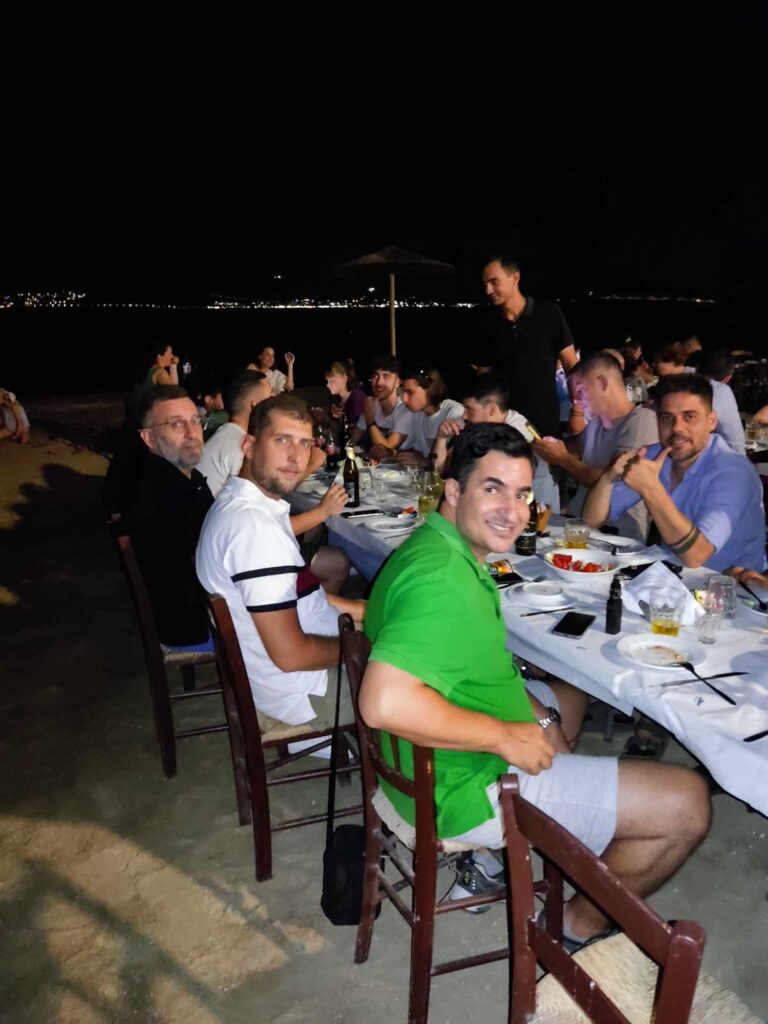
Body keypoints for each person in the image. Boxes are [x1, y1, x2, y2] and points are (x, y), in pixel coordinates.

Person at [360, 423, 710, 947]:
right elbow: (383, 702)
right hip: (463, 787)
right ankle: (572, 925)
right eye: (492, 488)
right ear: (453, 490)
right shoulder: (441, 581)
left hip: (423, 760)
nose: (513, 510)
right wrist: (505, 736)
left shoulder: (438, 548)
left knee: (567, 696)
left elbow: (479, 669)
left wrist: (539, 718)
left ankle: (492, 860)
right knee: (687, 803)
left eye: (522, 493)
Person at [196, 394, 364, 727]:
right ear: (248, 446)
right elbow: (291, 655)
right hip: (309, 691)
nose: (296, 457)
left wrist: (361, 611)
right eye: (282, 440)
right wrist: (360, 646)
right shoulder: (255, 532)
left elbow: (293, 595)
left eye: (304, 443)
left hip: (292, 675)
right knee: (433, 669)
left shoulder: (239, 504)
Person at [583, 374, 766, 572]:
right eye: (667, 418)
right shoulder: (656, 455)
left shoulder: (734, 472)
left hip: (730, 584)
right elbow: (591, 520)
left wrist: (650, 488)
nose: (677, 427)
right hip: (669, 576)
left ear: (711, 421)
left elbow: (696, 556)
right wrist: (609, 476)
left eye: (689, 417)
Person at [122, 386, 213, 651]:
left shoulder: (184, 476)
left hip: (196, 612)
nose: (192, 433)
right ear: (149, 438)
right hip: (194, 627)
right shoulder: (162, 493)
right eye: (176, 424)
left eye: (195, 420)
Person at [533, 352, 659, 541]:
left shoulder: (641, 422)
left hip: (613, 535)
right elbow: (573, 449)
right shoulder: (597, 422)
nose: (576, 400)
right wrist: (542, 446)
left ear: (602, 383)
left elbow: (609, 480)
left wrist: (563, 459)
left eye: (580, 390)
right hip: (577, 525)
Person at [474, 255, 578, 439]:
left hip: (544, 420)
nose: (488, 290)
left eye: (494, 282)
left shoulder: (549, 314)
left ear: (515, 277)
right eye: (485, 284)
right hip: (504, 423)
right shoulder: (488, 324)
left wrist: (578, 413)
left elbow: (571, 365)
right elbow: (484, 376)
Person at [432, 373, 559, 512]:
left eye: (469, 409)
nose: (464, 415)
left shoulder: (518, 433)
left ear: (491, 410)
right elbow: (440, 469)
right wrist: (441, 438)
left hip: (536, 505)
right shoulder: (473, 422)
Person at [197, 372, 274, 498]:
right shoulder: (241, 445)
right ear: (255, 405)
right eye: (270, 397)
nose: (275, 401)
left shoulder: (227, 433)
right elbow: (256, 501)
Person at [350, 354, 415, 458]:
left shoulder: (405, 409)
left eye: (386, 376)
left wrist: (370, 420)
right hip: (377, 467)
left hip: (402, 466)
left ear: (398, 382)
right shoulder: (373, 405)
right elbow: (352, 439)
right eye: (375, 376)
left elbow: (383, 450)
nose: (379, 383)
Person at [396, 366, 465, 462]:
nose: (404, 399)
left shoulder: (454, 411)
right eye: (403, 393)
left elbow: (453, 461)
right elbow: (419, 452)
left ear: (430, 390)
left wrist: (422, 461)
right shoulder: (417, 414)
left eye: (410, 393)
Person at [699, 349, 746, 455]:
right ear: (728, 377)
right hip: (705, 458)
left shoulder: (680, 380)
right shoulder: (720, 391)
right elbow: (735, 443)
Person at [325, 359, 366, 439]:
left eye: (332, 381)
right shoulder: (340, 401)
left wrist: (327, 419)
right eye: (327, 381)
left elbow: (353, 436)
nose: (327, 385)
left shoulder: (356, 398)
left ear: (344, 379)